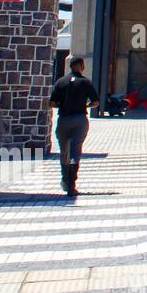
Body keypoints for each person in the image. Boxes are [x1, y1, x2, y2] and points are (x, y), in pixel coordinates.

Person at [49, 56, 99, 196]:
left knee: (64, 151)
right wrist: (86, 105)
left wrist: (62, 105)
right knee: (75, 152)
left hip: (64, 119)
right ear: (82, 66)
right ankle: (72, 184)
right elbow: (95, 102)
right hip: (80, 120)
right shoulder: (85, 82)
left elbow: (52, 103)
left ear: (70, 66)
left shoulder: (60, 82)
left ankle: (65, 180)